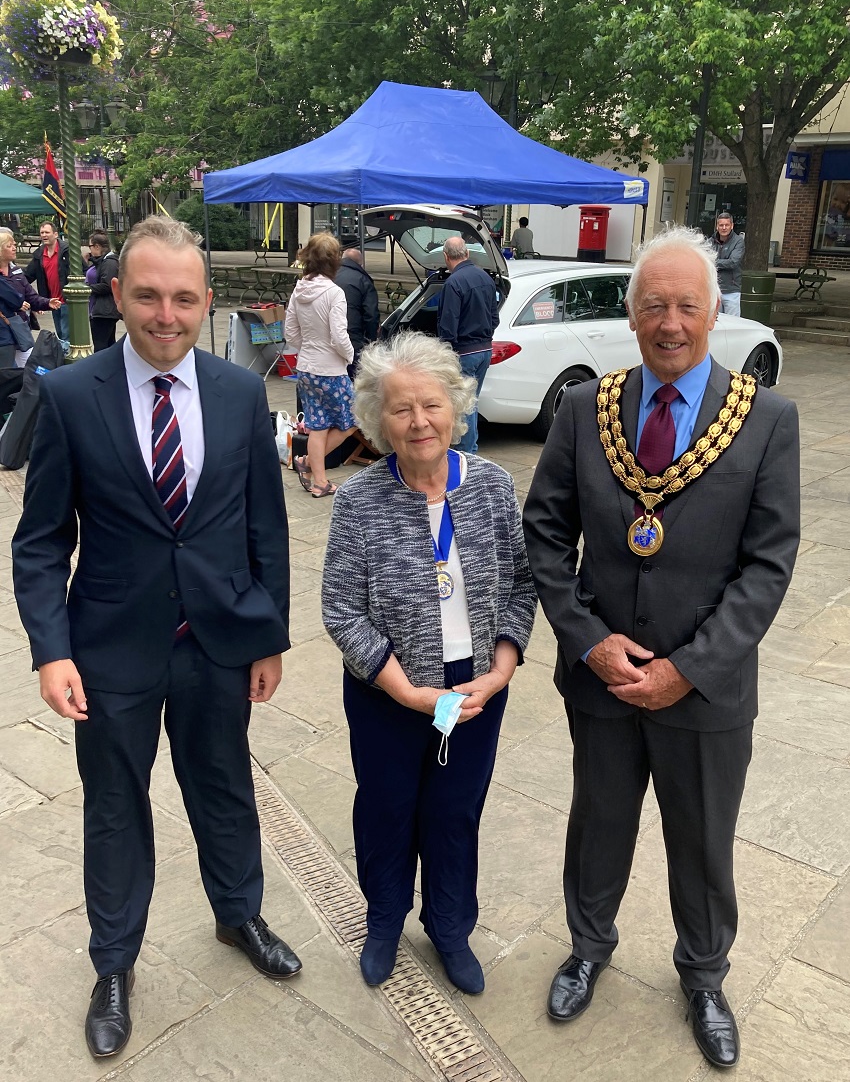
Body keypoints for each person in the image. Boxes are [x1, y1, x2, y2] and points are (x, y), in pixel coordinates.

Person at [12, 215, 302, 1061]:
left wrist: (268, 635)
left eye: (182, 297)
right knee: (114, 810)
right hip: (109, 652)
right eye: (147, 295)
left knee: (224, 788)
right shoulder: (69, 395)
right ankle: (113, 964)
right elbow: (39, 543)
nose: (165, 314)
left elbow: (265, 528)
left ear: (206, 301)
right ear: (118, 295)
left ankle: (238, 913)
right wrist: (52, 649)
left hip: (217, 643)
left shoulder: (243, 393)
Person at [522, 226, 799, 1070]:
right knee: (597, 824)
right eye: (654, 306)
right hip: (602, 679)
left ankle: (705, 976)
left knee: (704, 840)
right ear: (633, 315)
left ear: (715, 312)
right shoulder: (585, 409)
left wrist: (691, 666)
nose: (670, 323)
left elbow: (768, 561)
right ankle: (588, 946)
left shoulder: (767, 419)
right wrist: (589, 641)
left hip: (706, 688)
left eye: (687, 305)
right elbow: (543, 535)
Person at [322, 331, 537, 995]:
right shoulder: (360, 502)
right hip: (388, 694)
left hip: (474, 693)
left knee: (453, 814)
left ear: (456, 406)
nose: (419, 421)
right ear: (376, 419)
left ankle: (449, 928)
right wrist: (405, 690)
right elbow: (341, 610)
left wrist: (500, 672)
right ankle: (385, 920)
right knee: (386, 809)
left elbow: (522, 588)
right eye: (400, 409)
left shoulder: (495, 488)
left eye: (432, 404)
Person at [284, 232, 357, 497]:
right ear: (334, 260)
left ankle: (318, 481)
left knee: (318, 425)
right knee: (353, 420)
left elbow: (290, 333)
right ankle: (309, 468)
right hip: (331, 369)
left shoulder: (298, 289)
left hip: (306, 367)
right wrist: (349, 355)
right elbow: (339, 335)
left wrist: (308, 349)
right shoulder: (334, 293)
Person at [436, 236, 500, 453]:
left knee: (464, 404)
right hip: (484, 350)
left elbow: (448, 325)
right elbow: (494, 318)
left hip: (464, 353)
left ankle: (467, 451)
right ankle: (468, 449)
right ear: (467, 253)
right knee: (471, 401)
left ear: (446, 257)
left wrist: (446, 352)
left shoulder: (453, 283)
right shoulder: (486, 278)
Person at [0, 227, 61, 367]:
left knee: (31, 368)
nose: (14, 248)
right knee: (7, 374)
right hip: (3, 334)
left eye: (14, 245)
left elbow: (30, 295)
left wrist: (47, 302)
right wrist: (17, 303)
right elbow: (16, 300)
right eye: (10, 246)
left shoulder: (15, 270)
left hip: (20, 329)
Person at [335, 236, 380, 378]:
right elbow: (371, 316)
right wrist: (372, 342)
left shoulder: (330, 276)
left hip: (331, 338)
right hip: (354, 338)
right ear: (360, 264)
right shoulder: (363, 280)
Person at [24, 220, 70, 343]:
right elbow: (27, 275)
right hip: (53, 302)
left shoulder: (67, 251)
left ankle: (68, 360)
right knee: (60, 334)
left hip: (68, 301)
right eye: (42, 232)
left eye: (47, 232)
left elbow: (83, 270)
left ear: (55, 234)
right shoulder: (39, 254)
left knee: (67, 335)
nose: (44, 235)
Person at [85, 230, 122, 352]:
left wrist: (86, 289)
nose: (89, 250)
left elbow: (107, 285)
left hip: (104, 312)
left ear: (97, 246)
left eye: (90, 246)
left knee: (101, 346)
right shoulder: (102, 261)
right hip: (100, 310)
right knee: (107, 345)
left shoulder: (110, 262)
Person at [711, 212, 745, 316]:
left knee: (732, 324)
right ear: (717, 226)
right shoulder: (711, 241)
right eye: (721, 225)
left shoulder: (738, 241)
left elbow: (733, 262)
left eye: (727, 225)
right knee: (715, 324)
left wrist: (713, 261)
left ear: (732, 226)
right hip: (714, 290)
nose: (724, 228)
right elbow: (704, 259)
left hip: (731, 291)